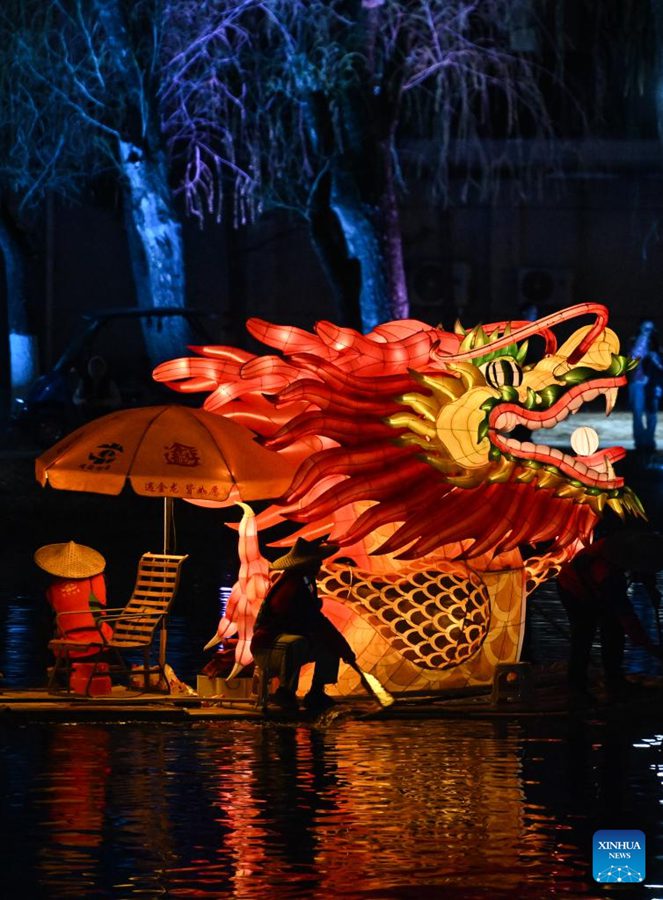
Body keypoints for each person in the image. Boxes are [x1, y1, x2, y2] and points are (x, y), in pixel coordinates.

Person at [250, 537, 356, 712]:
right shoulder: (290, 587)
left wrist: (339, 647)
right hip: (268, 646)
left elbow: (313, 619)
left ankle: (316, 692)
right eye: (316, 561)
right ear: (305, 564)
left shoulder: (306, 582)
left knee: (328, 647)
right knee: (297, 642)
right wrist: (343, 647)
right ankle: (285, 692)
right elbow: (312, 620)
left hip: (293, 641)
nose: (320, 565)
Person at [556, 535, 662, 703]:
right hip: (573, 590)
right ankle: (577, 686)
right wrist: (650, 647)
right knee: (584, 635)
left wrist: (652, 591)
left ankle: (614, 678)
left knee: (614, 632)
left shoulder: (633, 548)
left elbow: (645, 572)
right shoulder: (607, 573)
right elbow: (625, 614)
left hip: (597, 588)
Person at [627, 318, 663, 455]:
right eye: (645, 329)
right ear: (640, 329)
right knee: (638, 412)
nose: (648, 332)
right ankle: (640, 441)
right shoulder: (633, 342)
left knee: (651, 413)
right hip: (638, 382)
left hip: (653, 383)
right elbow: (632, 359)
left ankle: (649, 440)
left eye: (650, 329)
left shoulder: (656, 345)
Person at [73, 355, 121, 421]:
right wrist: (83, 401)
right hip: (86, 417)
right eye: (93, 367)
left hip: (104, 417)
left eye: (98, 367)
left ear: (103, 368)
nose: (96, 369)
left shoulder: (109, 383)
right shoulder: (83, 382)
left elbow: (117, 401)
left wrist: (102, 402)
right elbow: (75, 399)